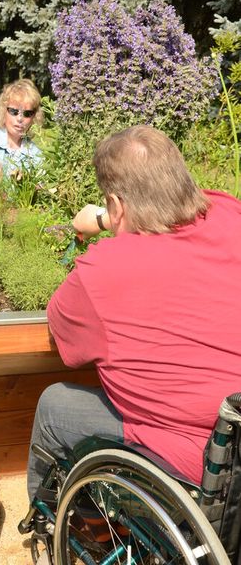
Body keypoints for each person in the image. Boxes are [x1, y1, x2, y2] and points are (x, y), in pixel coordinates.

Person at [27, 124, 241, 501]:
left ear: (117, 204)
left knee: (54, 404)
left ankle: (62, 526)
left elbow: (61, 330)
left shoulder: (104, 272)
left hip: (200, 461)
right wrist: (107, 218)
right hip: (234, 435)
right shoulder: (230, 213)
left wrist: (106, 224)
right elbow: (180, 210)